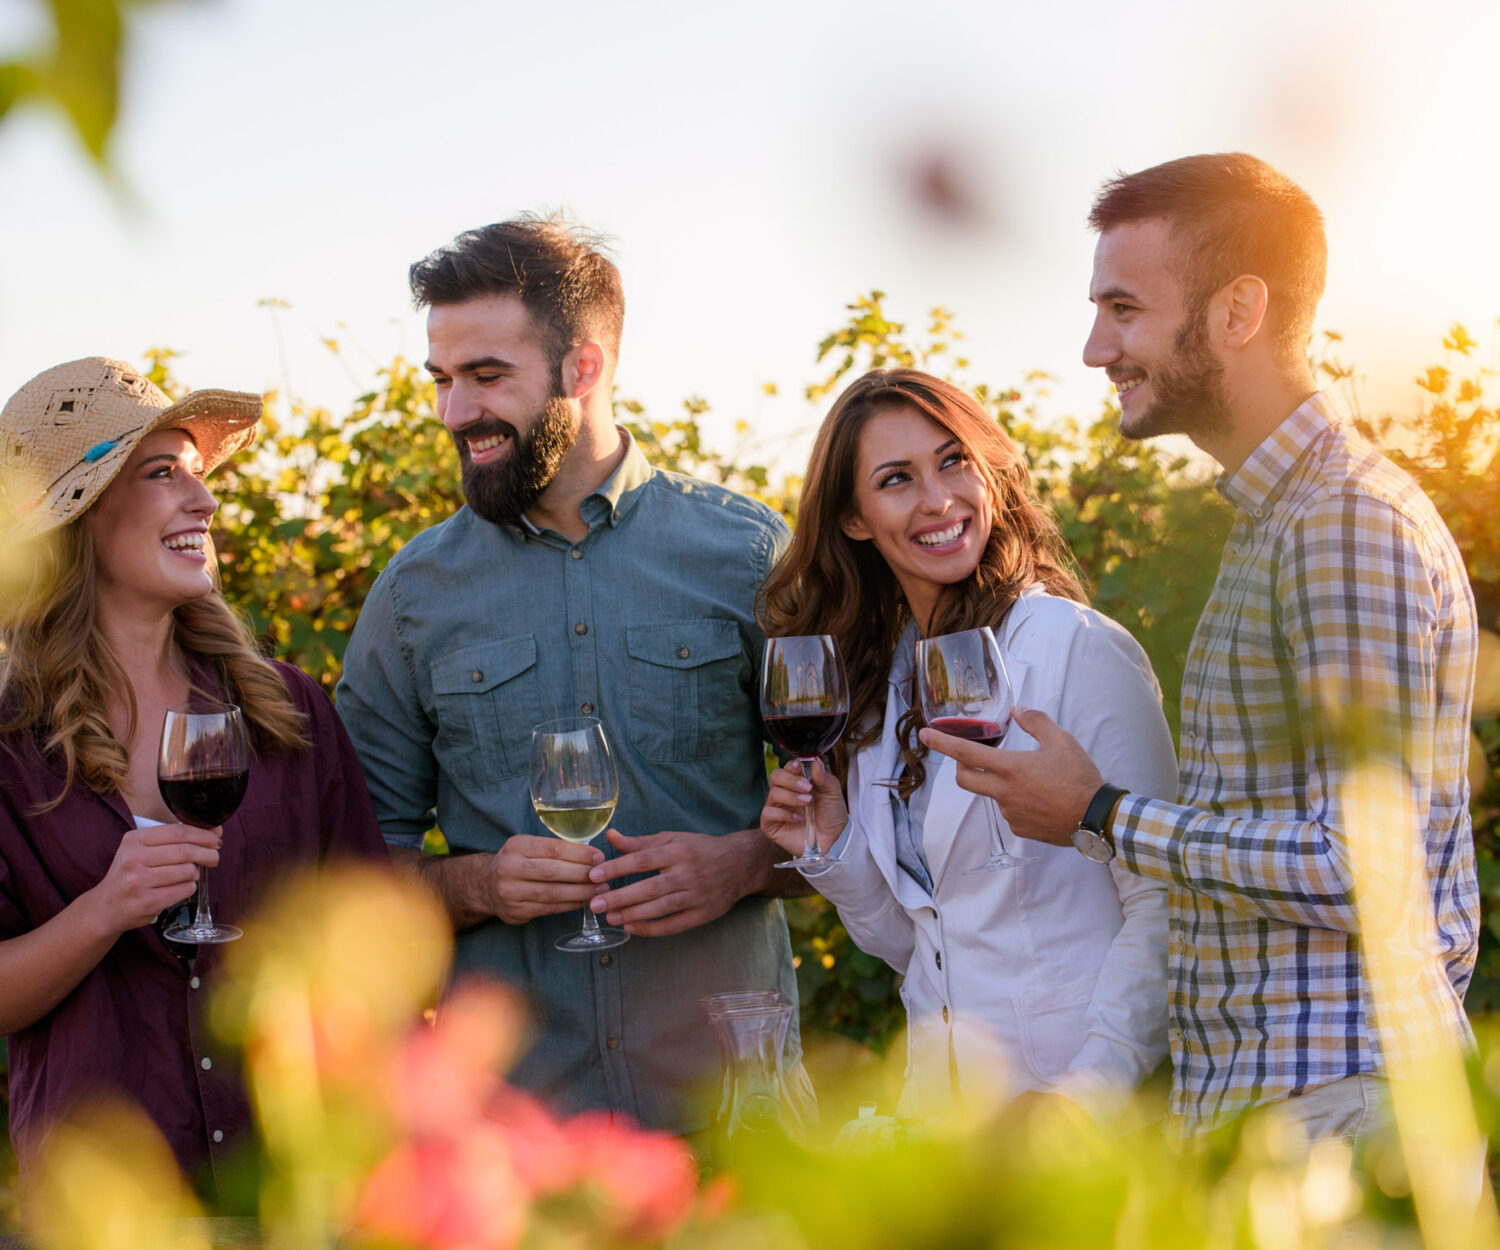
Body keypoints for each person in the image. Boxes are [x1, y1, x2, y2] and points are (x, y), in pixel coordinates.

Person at [923, 153, 1480, 1143]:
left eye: (1124, 309)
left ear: (1238, 311)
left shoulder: (1342, 522)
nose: (1096, 348)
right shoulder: (1277, 520)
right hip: (1288, 1103)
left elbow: (1364, 865)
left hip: (1341, 1105)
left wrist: (1102, 811)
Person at [335, 215, 807, 1138]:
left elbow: (869, 820)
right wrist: (479, 886)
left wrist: (744, 865)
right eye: (442, 380)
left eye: (486, 376)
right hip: (511, 1143)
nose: (454, 412)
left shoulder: (750, 555)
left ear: (582, 368)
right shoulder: (414, 595)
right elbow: (355, 875)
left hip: (736, 1123)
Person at [0, 357, 389, 1205]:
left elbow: (372, 936)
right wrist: (105, 910)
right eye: (161, 473)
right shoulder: (9, 743)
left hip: (291, 1187)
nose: (204, 500)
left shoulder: (287, 711)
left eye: (199, 473)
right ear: (80, 517)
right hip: (102, 1206)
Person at [757, 368, 1176, 1125]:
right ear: (853, 519)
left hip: (1069, 1120)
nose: (938, 498)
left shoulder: (1072, 647)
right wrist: (835, 846)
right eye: (896, 479)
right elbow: (920, 944)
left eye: (954, 462)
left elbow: (1163, 901)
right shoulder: (884, 689)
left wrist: (1089, 1096)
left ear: (989, 472)